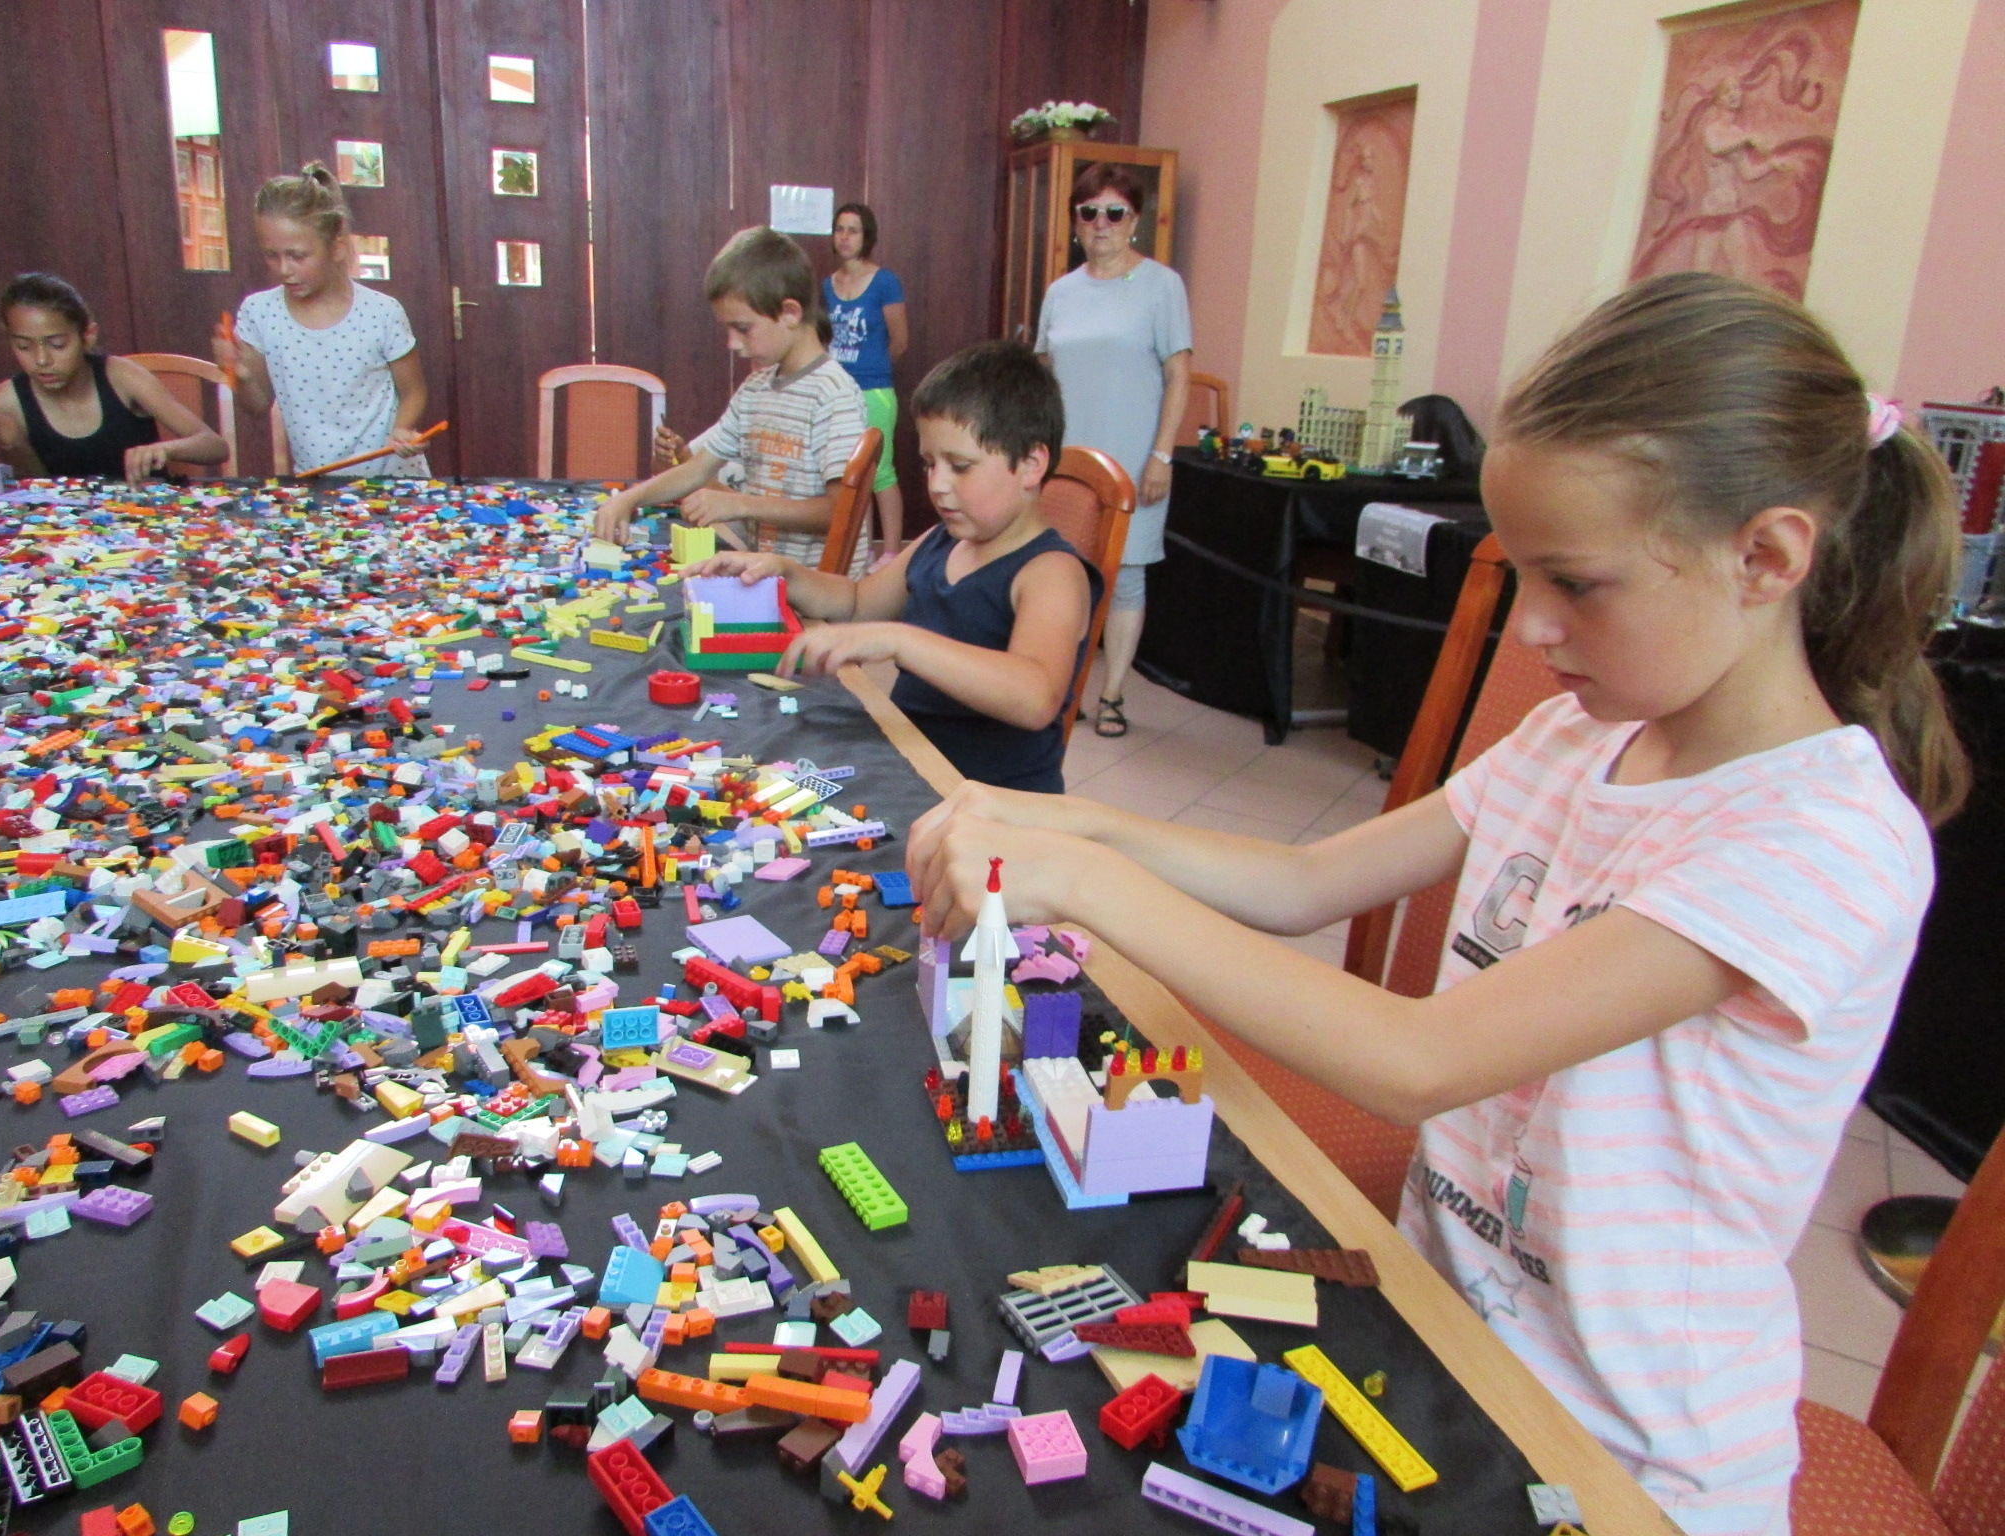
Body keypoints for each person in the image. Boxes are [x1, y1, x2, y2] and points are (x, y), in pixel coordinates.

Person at [907, 273, 1967, 1535]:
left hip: (1624, 1457)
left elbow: (1419, 1061)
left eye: (1575, 584)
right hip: (1441, 1338)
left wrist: (1086, 882)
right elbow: (1306, 882)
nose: (1534, 630)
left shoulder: (1816, 839)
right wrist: (1073, 821)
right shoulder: (1576, 739)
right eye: (1521, 579)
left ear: (1766, 558)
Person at [689, 342, 1097, 793]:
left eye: (960, 466)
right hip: (914, 769)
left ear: (1031, 465)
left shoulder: (1052, 573)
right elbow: (858, 602)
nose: (937, 484)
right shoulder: (941, 541)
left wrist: (900, 640)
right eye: (930, 464)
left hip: (990, 804)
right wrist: (784, 572)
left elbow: (1035, 697)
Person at [594, 227, 870, 576]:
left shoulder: (834, 394)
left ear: (790, 312)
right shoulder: (754, 389)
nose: (732, 343)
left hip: (817, 595)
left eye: (742, 328)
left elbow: (838, 512)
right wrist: (629, 498)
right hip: (766, 580)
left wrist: (738, 504)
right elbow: (697, 469)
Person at [1036, 162, 1191, 738]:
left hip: (1134, 458)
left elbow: (1178, 374)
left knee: (1126, 576)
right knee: (1064, 572)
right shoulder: (1061, 292)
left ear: (1135, 220)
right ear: (1075, 222)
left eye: (1114, 212)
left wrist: (1162, 456)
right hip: (1066, 461)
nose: (1101, 223)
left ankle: (1112, 694)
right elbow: (1043, 373)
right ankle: (1065, 686)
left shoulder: (1161, 286)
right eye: (1089, 212)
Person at [211, 163, 431, 477]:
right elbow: (257, 405)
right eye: (272, 255)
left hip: (393, 481)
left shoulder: (382, 312)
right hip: (318, 485)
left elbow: (414, 392)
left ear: (337, 247)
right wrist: (240, 375)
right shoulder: (259, 312)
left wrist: (402, 430)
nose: (284, 269)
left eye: (298, 255)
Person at [0, 273, 227, 484]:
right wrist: (12, 440)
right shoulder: (8, 399)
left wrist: (166, 450)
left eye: (57, 344)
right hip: (67, 530)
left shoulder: (122, 377)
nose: (41, 360)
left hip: (148, 517)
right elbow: (35, 486)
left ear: (87, 336)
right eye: (24, 347)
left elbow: (214, 446)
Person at [823, 203, 909, 567]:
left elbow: (900, 341)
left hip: (874, 391)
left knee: (881, 471)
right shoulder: (827, 285)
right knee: (852, 474)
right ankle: (864, 551)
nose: (844, 237)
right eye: (839, 229)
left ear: (866, 236)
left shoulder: (885, 282)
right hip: (839, 392)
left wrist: (872, 368)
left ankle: (890, 553)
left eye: (853, 230)